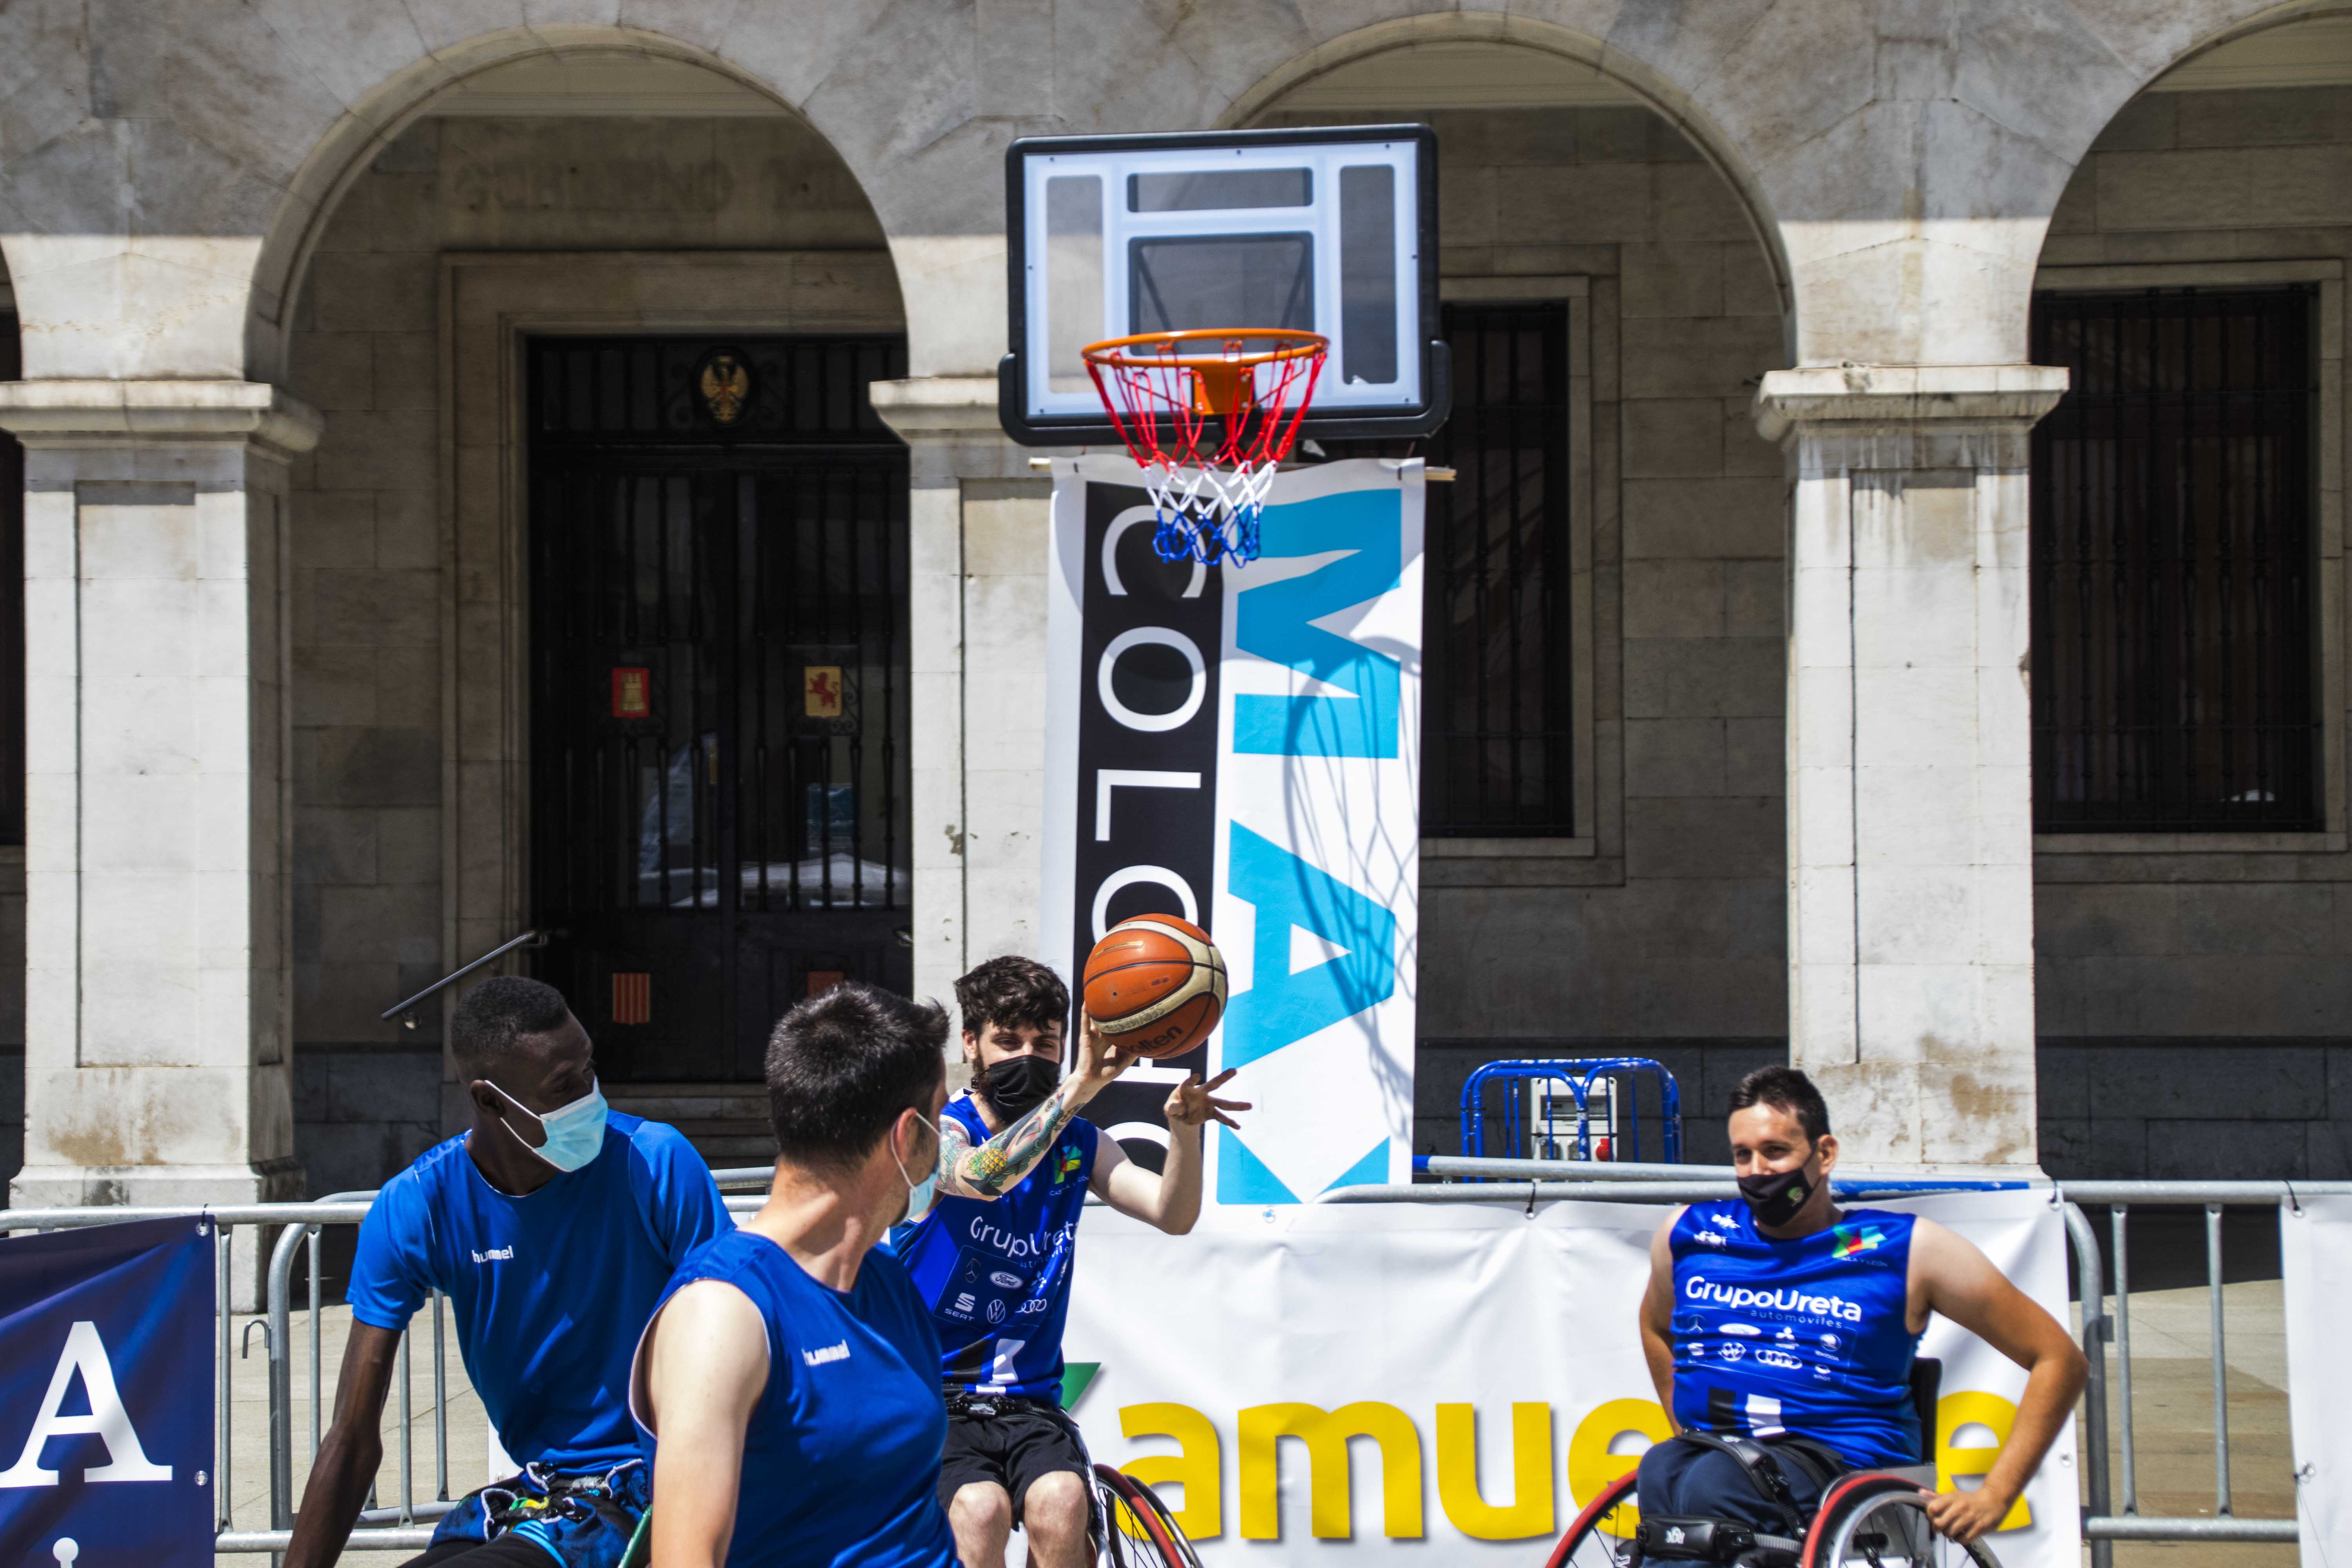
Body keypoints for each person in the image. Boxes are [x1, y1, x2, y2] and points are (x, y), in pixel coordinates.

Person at [631, 979, 1147, 1567]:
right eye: (940, 1112)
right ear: (910, 1136)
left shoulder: (889, 1288)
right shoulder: (724, 1312)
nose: (955, 1127)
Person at [286, 976, 732, 1568]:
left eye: (589, 1071)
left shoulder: (654, 1162)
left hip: (652, 1488)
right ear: (492, 1100)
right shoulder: (418, 1204)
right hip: (537, 1497)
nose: (590, 1096)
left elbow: (741, 1342)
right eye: (563, 1086)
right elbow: (351, 1438)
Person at [893, 956, 1249, 1568]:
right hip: (936, 1398)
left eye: (1044, 1042)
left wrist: (1184, 1132)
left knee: (1061, 1501)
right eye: (1008, 1041)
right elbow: (982, 1179)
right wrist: (1083, 1083)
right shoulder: (943, 1133)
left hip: (1030, 1404)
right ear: (972, 1045)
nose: (1026, 1055)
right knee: (979, 1511)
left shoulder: (1079, 1143)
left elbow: (1172, 1212)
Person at [1635, 1065, 2087, 1546]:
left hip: (1839, 1463)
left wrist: (1997, 1493)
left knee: (1714, 1486)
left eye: (1775, 1151)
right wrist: (1686, 1425)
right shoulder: (1689, 1235)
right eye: (1742, 1155)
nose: (1756, 1171)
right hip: (1723, 1454)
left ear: (1824, 1154)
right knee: (1663, 1467)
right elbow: (1654, 1326)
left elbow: (2058, 1358)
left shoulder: (1904, 1248)